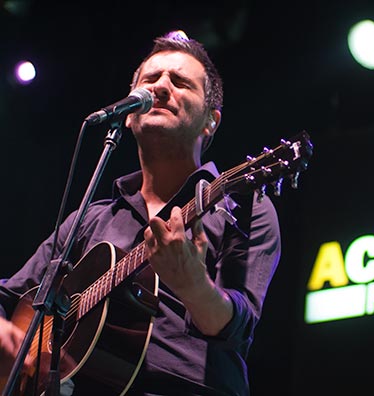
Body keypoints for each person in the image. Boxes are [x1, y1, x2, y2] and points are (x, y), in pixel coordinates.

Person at [0, 30, 281, 396]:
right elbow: (9, 296)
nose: (161, 87)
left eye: (181, 83)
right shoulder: (89, 220)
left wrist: (192, 284)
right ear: (130, 116)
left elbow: (238, 331)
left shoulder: (242, 207)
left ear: (210, 121)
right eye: (150, 80)